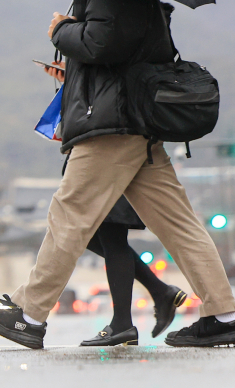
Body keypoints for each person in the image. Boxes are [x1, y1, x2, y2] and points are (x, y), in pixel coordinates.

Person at [0, 0, 235, 349]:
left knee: (71, 212)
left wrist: (62, 30)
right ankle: (224, 314)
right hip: (136, 121)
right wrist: (73, 70)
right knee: (178, 223)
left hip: (114, 125)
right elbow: (120, 51)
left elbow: (102, 43)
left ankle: (28, 315)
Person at [40, 63, 190, 346]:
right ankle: (158, 293)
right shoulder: (105, 32)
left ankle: (124, 321)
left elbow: (109, 72)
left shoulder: (109, 28)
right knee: (98, 235)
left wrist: (65, 36)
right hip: (109, 132)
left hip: (111, 137)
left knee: (110, 234)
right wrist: (70, 74)